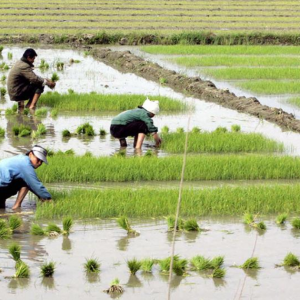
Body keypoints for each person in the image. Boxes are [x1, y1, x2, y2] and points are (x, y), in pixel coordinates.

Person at [0, 145, 52, 210]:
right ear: (30, 154)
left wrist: (41, 196)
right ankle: (16, 207)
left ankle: (16, 207)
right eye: (38, 159)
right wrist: (48, 199)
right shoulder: (25, 164)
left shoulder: (21, 159)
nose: (39, 163)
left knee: (24, 182)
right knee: (25, 182)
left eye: (41, 161)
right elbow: (35, 185)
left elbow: (32, 185)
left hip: (2, 186)